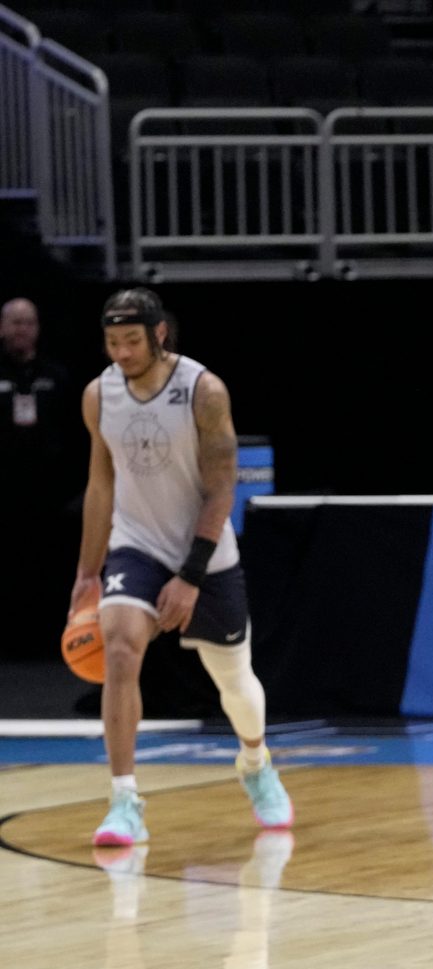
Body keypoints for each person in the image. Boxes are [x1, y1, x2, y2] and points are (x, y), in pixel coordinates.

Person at [75, 288, 292, 846]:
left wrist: (191, 576)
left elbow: (222, 490)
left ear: (160, 335)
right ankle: (124, 800)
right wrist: (87, 573)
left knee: (236, 685)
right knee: (120, 646)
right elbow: (101, 485)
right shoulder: (99, 395)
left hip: (205, 553)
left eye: (130, 341)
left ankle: (255, 761)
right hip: (137, 544)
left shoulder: (204, 391)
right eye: (111, 342)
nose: (120, 353)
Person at [1, 296, 81, 656]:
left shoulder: (57, 375)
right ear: (2, 328)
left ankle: (53, 645)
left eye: (28, 322)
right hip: (4, 492)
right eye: (14, 322)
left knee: (48, 571)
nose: (21, 329)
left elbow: (76, 435)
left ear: (38, 329)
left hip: (50, 496)